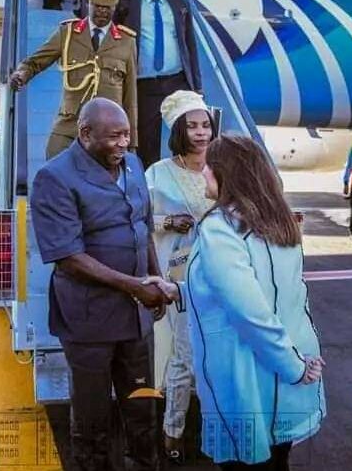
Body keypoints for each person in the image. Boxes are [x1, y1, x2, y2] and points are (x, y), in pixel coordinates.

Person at [148, 135, 326, 470]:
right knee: (278, 459)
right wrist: (180, 291)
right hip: (287, 364)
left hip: (249, 374)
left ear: (226, 174)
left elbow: (249, 311)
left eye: (209, 168)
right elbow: (255, 292)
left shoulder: (220, 228)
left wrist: (295, 368)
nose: (203, 173)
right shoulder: (277, 220)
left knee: (246, 462)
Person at [30, 97, 170, 470]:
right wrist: (136, 287)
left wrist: (155, 278)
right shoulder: (55, 178)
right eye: (114, 137)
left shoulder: (133, 163)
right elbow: (69, 257)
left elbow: (142, 227)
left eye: (127, 135)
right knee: (92, 420)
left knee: (143, 409)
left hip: (135, 319)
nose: (124, 143)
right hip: (89, 320)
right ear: (85, 134)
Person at [144, 90, 214, 463]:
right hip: (179, 278)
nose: (201, 133)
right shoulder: (158, 173)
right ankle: (172, 432)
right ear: (178, 131)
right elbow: (137, 220)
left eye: (206, 125)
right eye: (193, 126)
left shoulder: (221, 167)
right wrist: (169, 221)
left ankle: (215, 428)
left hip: (220, 277)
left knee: (217, 354)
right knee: (184, 356)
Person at [11, 0, 138, 159]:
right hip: (71, 125)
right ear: (88, 3)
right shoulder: (68, 33)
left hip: (108, 131)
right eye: (98, 6)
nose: (103, 12)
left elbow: (130, 97)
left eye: (108, 8)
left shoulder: (126, 42)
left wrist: (131, 141)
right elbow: (35, 62)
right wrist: (21, 74)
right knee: (54, 166)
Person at [115, 0, 202, 169]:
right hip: (145, 85)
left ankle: (184, 179)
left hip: (177, 81)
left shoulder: (179, 4)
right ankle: (149, 182)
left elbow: (190, 45)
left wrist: (197, 85)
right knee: (147, 142)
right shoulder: (127, 4)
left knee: (184, 137)